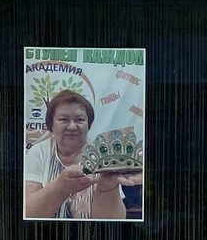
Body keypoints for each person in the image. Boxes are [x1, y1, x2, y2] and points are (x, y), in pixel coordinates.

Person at [24, 90, 141, 219]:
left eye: (79, 120)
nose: (72, 126)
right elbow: (28, 213)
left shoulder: (103, 155)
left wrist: (107, 188)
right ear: (51, 125)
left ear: (89, 125)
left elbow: (114, 222)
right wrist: (60, 187)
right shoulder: (39, 152)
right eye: (63, 119)